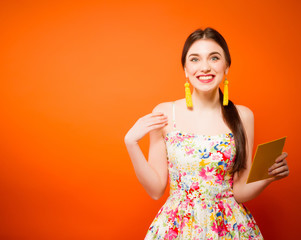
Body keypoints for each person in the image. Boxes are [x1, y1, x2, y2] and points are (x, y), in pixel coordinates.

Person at [124, 27, 289, 240]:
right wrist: (131, 143)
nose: (204, 67)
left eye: (214, 58)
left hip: (229, 227)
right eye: (194, 59)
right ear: (185, 68)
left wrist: (268, 176)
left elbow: (238, 191)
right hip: (178, 227)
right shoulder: (165, 113)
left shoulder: (243, 116)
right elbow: (156, 190)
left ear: (226, 66)